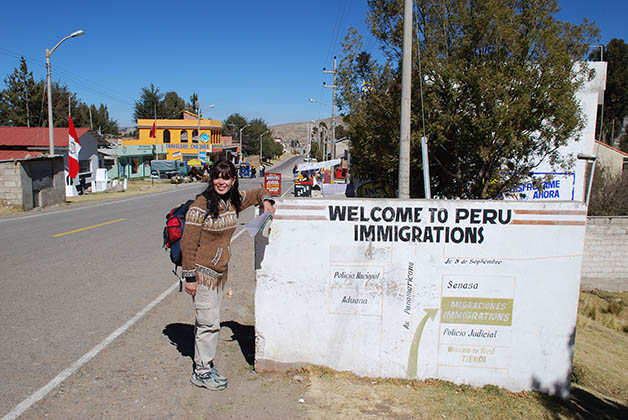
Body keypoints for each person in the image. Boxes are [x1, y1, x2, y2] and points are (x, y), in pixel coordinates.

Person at [180, 160, 275, 391]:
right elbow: (188, 242)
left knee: (207, 320)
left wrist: (267, 202)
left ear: (233, 180)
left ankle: (205, 363)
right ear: (211, 179)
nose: (221, 182)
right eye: (217, 177)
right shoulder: (201, 205)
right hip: (203, 274)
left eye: (226, 177)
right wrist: (189, 277)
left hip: (220, 273)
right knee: (209, 323)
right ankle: (202, 371)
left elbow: (258, 192)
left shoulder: (232, 201)